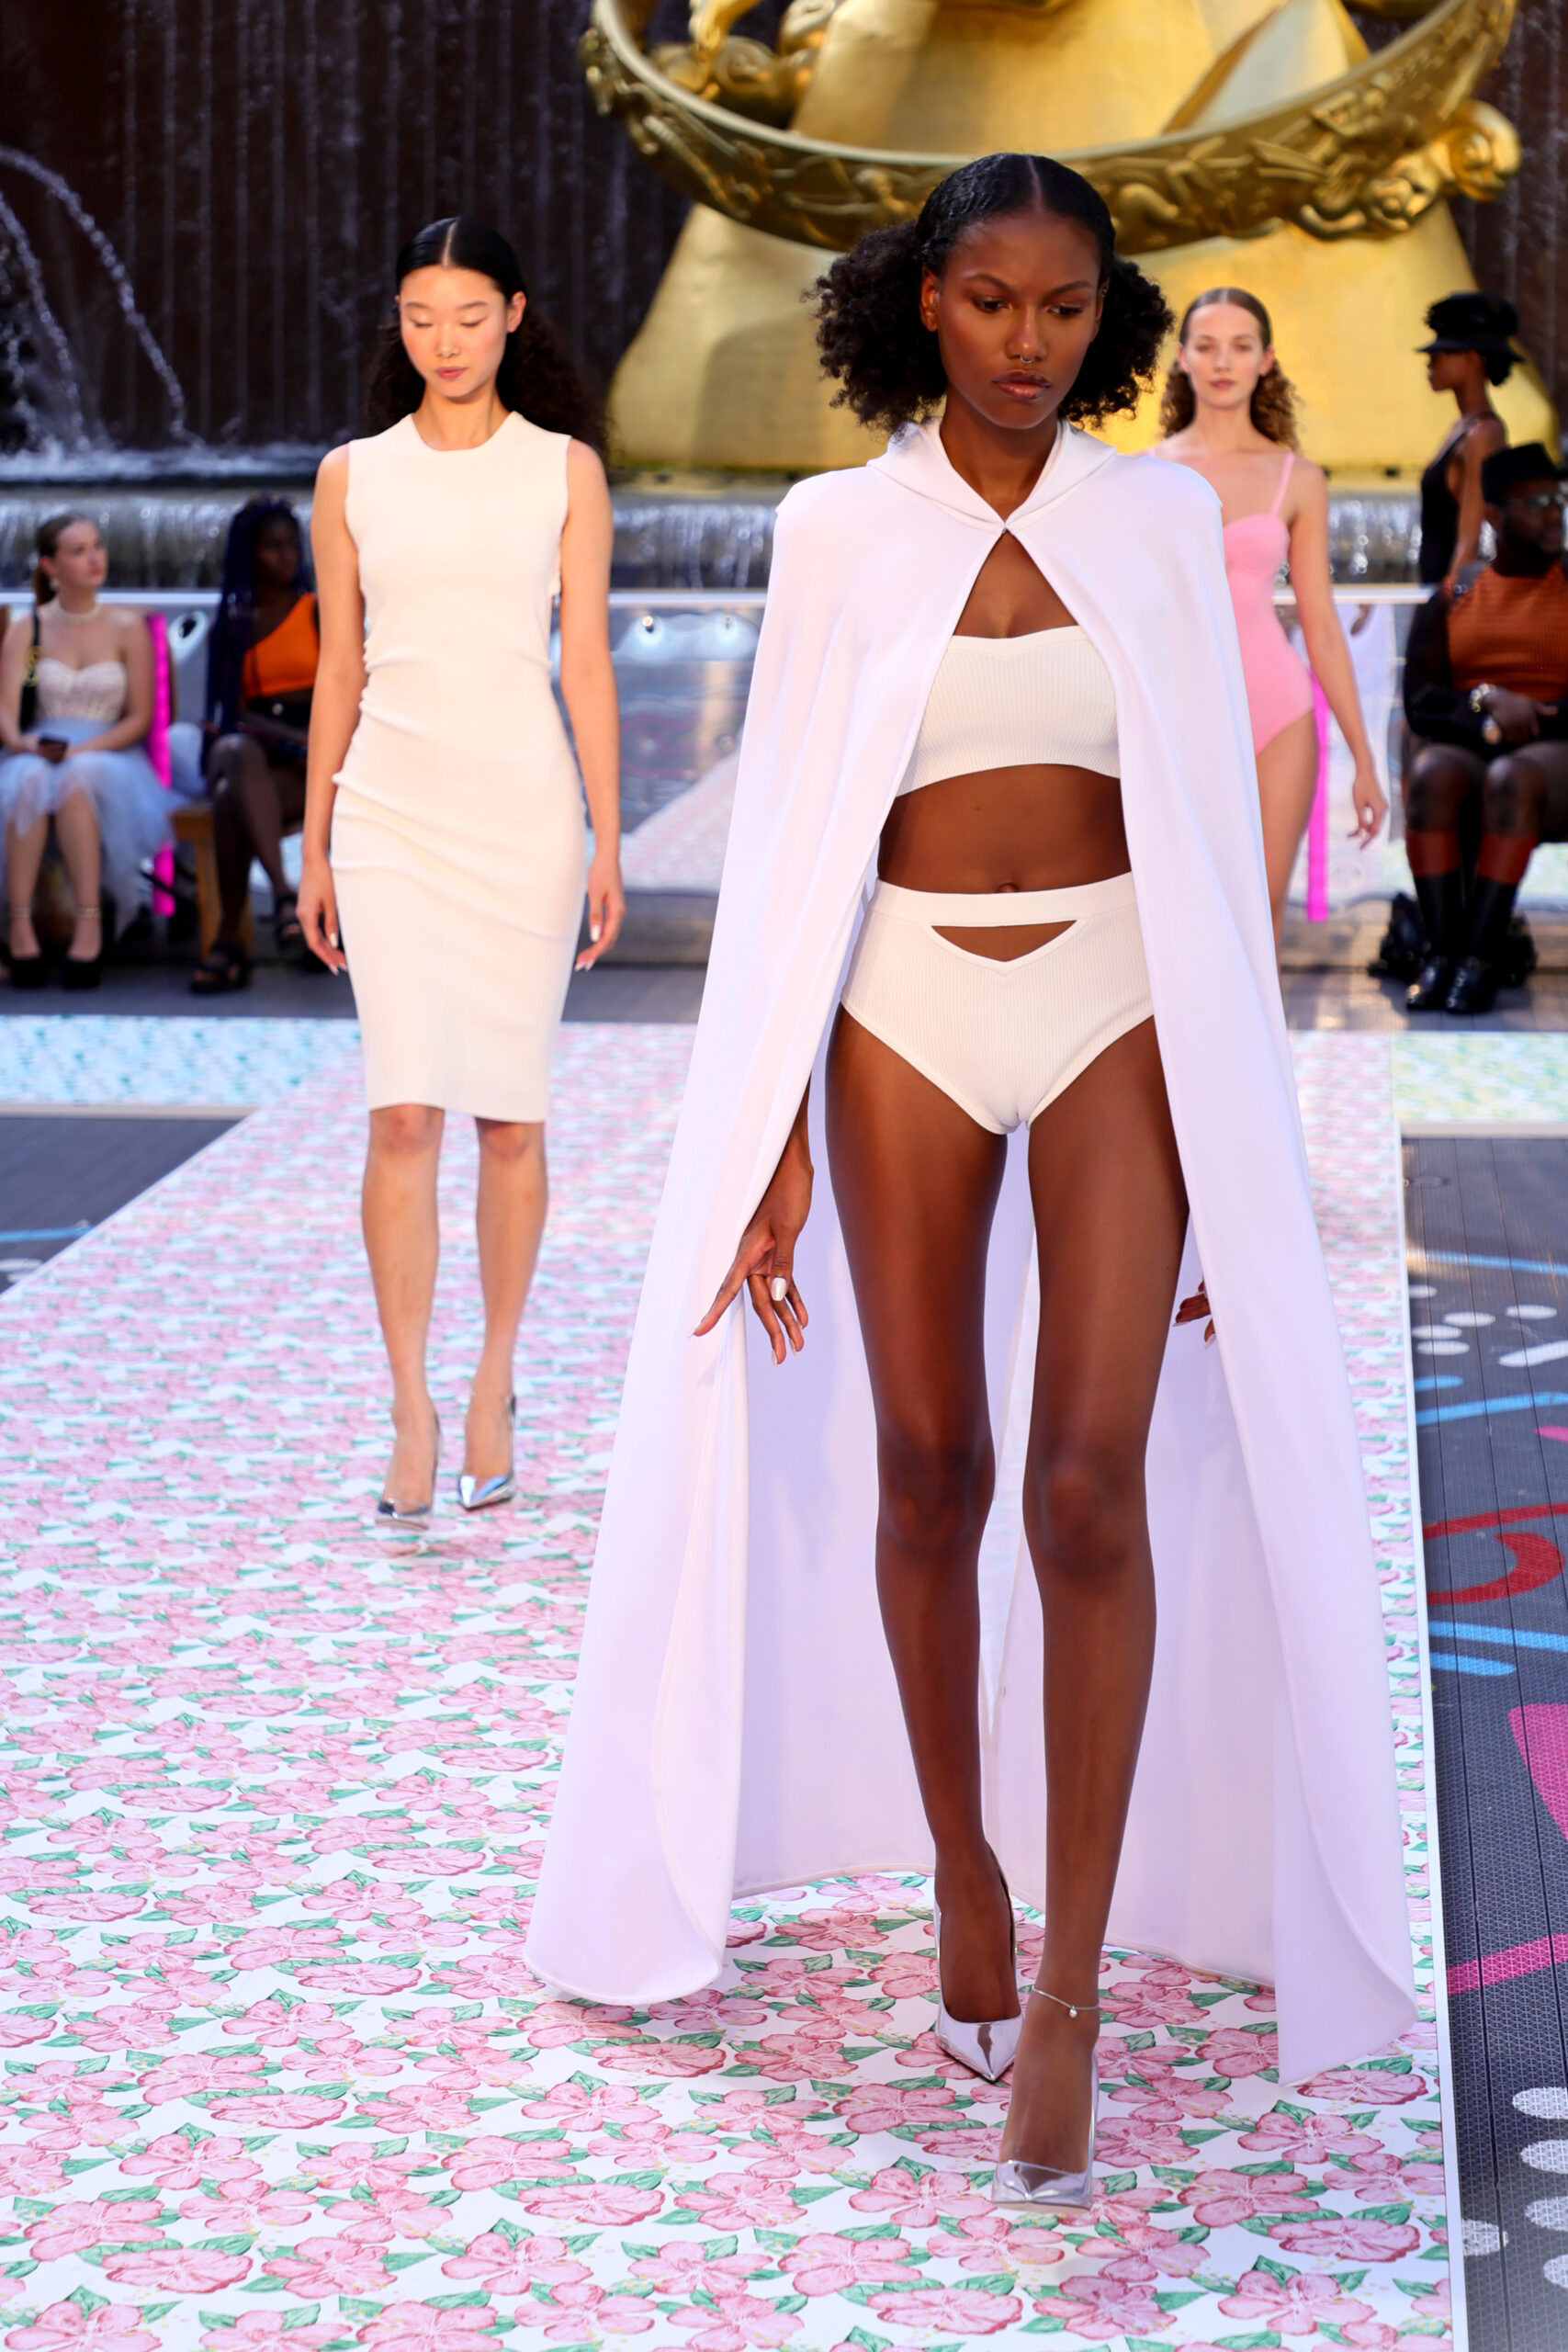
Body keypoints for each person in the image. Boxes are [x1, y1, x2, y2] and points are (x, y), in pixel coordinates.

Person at [526, 154, 1413, 2212]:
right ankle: (960, 1863)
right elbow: (790, 838)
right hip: (897, 1004)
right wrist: (761, 1136)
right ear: (924, 299)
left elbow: (1201, 839)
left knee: (1087, 1486)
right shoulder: (836, 528)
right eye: (993, 301)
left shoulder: (1154, 517)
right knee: (927, 1468)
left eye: (1066, 307)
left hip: (1117, 998)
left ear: (1109, 316)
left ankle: (1074, 1991)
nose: (1029, 342)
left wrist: (1239, 1139)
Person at [297, 217, 624, 1530]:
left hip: (523, 814)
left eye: (470, 316)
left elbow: (585, 661)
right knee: (400, 1116)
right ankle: (409, 1405)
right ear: (398, 322)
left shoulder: (564, 471)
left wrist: (609, 835)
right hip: (388, 814)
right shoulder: (351, 476)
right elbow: (338, 664)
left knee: (511, 1118)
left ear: (514, 316)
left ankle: (493, 1382)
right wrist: (316, 839)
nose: (446, 340)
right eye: (422, 316)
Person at [1156, 288, 1385, 945]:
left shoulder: (1298, 478)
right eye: (1206, 346)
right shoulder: (1141, 475)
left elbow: (1322, 628)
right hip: (1175, 710)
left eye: (1240, 346)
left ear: (1266, 359)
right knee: (1178, 926)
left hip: (1278, 714)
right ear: (1182, 358)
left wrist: (1364, 760)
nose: (1222, 362)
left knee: (1259, 927)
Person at [1402, 441, 1568, 1015]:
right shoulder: (1455, 595)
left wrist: (1534, 713)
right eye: (1536, 502)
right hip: (1480, 743)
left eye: (1558, 499)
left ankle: (1479, 959)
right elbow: (1422, 702)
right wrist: (1487, 703)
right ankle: (1440, 955)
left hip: (1556, 757)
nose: (1554, 512)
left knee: (1512, 779)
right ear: (1494, 515)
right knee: (1431, 774)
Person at [0, 514, 168, 989]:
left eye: (97, 546)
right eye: (78, 551)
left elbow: (139, 717)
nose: (95, 559)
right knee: (28, 778)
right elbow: (6, 711)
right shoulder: (28, 628)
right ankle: (20, 927)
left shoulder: (127, 626)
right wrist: (24, 744)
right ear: (50, 566)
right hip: (40, 747)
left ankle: (89, 927)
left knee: (78, 781)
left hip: (106, 749)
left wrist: (82, 750)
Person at [189, 497, 320, 994]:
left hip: (311, 763)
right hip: (257, 759)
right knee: (235, 756)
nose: (285, 557)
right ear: (250, 554)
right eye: (272, 547)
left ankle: (229, 940)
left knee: (230, 801)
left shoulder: (317, 612)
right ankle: (286, 898)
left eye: (291, 546)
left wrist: (299, 738)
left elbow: (349, 690)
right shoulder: (233, 624)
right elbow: (232, 714)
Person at [1417, 291, 1517, 595]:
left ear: (1473, 358)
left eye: (1441, 354)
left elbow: (1468, 542)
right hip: (1438, 591)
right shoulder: (1464, 429)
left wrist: (1449, 604)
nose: (1430, 363)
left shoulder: (1483, 433)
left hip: (1452, 596)